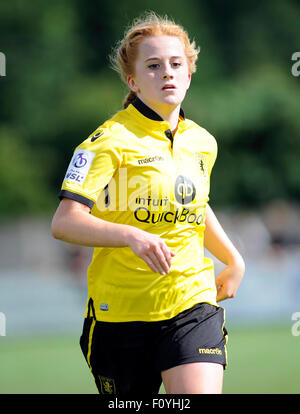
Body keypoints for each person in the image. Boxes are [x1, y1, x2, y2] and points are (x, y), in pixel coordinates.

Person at [51, 12, 245, 394]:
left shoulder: (203, 142)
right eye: (153, 66)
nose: (167, 73)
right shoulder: (106, 141)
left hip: (191, 304)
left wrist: (233, 258)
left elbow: (195, 206)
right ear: (133, 81)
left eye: (176, 64)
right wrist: (130, 236)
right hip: (120, 316)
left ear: (189, 74)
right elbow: (64, 222)